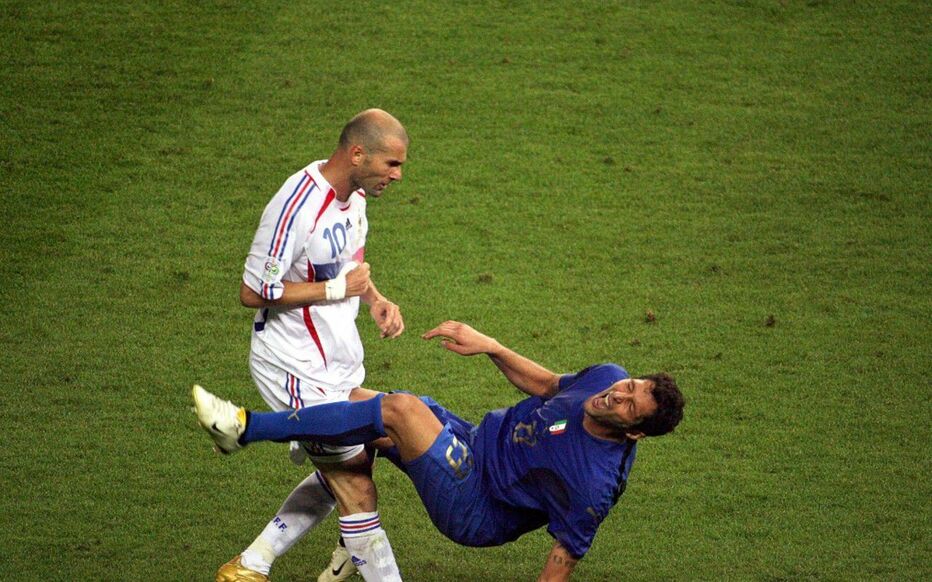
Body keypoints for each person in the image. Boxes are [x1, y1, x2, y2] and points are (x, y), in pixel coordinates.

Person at [194, 320, 686, 581]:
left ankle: (246, 428)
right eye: (630, 385)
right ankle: (278, 557)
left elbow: (564, 560)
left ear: (635, 434)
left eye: (630, 406)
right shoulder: (607, 378)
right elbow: (549, 384)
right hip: (472, 441)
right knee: (356, 406)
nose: (617, 395)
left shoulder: (594, 483)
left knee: (400, 411)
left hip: (477, 507)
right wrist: (492, 346)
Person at [223, 109, 409, 582]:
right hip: (293, 365)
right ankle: (352, 554)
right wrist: (337, 290)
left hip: (335, 359)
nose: (397, 175)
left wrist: (374, 299)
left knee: (373, 445)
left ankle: (250, 565)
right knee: (356, 487)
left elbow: (349, 264)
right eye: (391, 164)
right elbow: (253, 292)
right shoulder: (296, 205)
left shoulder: (356, 197)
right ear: (357, 154)